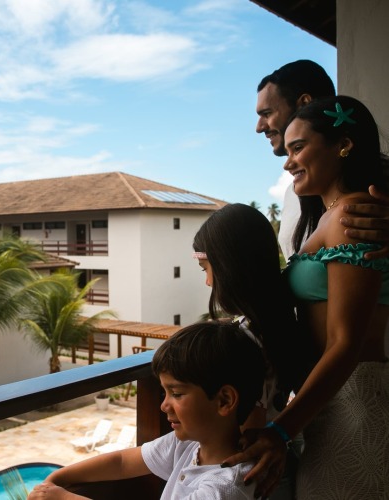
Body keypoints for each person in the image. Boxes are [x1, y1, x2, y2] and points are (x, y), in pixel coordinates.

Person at [225, 96, 389, 499]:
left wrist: (280, 430)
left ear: (343, 145)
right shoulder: (331, 216)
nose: (288, 162)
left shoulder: (352, 216)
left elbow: (345, 342)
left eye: (298, 148)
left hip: (354, 398)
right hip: (331, 398)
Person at [28, 321, 266, 500]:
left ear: (224, 401)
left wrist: (62, 497)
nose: (164, 405)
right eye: (164, 393)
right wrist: (58, 477)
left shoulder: (226, 488)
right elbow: (122, 462)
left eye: (176, 393)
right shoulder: (188, 445)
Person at [193, 203, 308, 500]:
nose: (207, 281)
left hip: (255, 479)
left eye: (207, 269)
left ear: (228, 266)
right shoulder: (280, 323)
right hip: (281, 468)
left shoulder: (245, 339)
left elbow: (247, 432)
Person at [255, 59, 389, 259]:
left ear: (304, 103)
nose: (259, 127)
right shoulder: (296, 191)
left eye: (267, 113)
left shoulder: (375, 187)